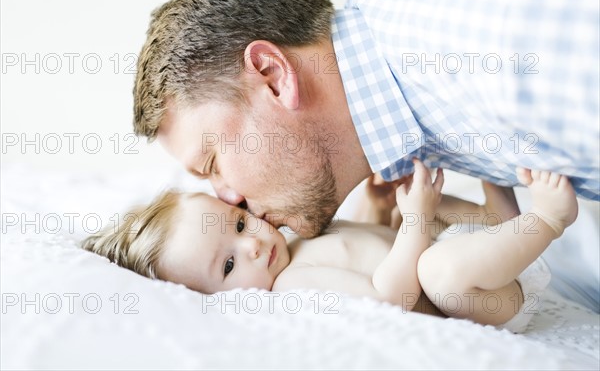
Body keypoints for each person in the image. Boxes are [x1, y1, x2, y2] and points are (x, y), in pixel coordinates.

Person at [132, 0, 598, 238]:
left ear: (274, 77)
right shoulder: (397, 63)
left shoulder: (491, 50)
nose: (227, 199)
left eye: (212, 162)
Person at [82, 161, 579, 333]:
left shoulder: (293, 242)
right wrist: (417, 220)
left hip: (481, 256)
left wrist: (379, 208)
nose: (252, 245)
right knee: (437, 270)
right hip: (481, 299)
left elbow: (356, 242)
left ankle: (500, 203)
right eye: (229, 264)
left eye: (237, 224)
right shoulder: (294, 286)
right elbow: (390, 297)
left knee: (425, 222)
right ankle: (549, 219)